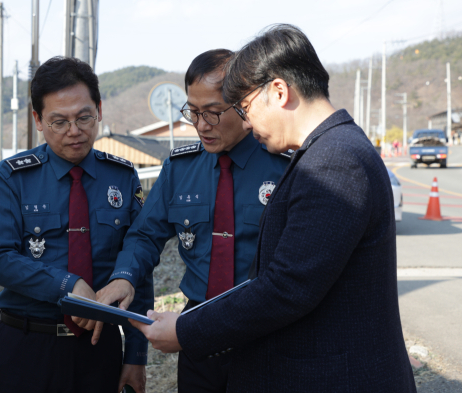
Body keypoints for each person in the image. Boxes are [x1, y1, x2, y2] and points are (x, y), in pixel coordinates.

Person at [130, 25, 417, 392]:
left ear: (279, 91)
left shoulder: (333, 161)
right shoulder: (332, 150)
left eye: (246, 108)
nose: (247, 123)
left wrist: (185, 329)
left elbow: (287, 287)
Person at [95, 49, 289, 392]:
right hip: (198, 329)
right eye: (193, 112)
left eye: (213, 113)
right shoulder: (180, 168)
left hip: (265, 330)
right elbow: (144, 235)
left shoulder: (284, 165)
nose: (201, 125)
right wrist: (125, 277)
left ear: (245, 103)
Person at [0, 57, 150, 393]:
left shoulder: (122, 177)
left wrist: (136, 355)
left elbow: (136, 265)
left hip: (98, 350)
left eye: (84, 117)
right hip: (25, 347)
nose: (75, 131)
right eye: (59, 121)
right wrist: (68, 286)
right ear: (38, 120)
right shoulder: (11, 177)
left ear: (99, 110)